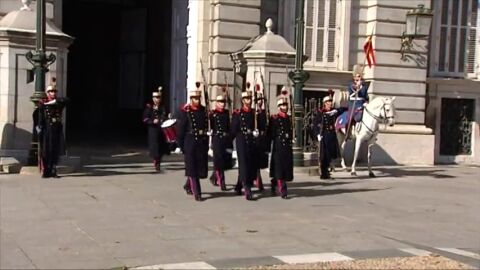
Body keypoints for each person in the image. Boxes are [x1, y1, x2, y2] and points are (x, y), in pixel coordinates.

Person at [176, 84, 209, 201]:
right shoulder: (186, 112)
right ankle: (197, 193)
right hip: (190, 142)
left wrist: (207, 140)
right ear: (191, 99)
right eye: (194, 99)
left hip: (201, 142)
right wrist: (180, 145)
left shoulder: (204, 111)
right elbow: (181, 130)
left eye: (198, 99)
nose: (197, 101)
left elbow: (206, 126)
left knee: (198, 167)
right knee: (192, 168)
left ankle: (188, 185)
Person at [37, 84, 69, 178]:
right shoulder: (43, 103)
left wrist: (54, 101)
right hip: (47, 128)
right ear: (47, 93)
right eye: (51, 91)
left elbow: (67, 100)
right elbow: (40, 117)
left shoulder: (58, 102)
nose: (53, 93)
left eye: (54, 92)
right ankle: (46, 170)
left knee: (55, 149)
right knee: (46, 150)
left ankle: (53, 169)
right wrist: (39, 129)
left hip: (56, 128)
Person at [231, 86, 257, 200]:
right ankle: (247, 189)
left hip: (251, 139)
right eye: (247, 99)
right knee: (243, 164)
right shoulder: (238, 113)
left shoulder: (253, 113)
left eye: (250, 99)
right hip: (241, 140)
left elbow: (258, 125)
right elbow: (233, 129)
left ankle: (238, 185)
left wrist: (257, 131)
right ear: (243, 101)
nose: (249, 101)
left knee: (250, 164)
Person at [268, 96, 293, 199]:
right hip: (278, 145)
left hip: (286, 146)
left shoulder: (288, 118)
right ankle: (283, 190)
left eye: (286, 105)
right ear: (279, 107)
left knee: (284, 167)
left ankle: (274, 182)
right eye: (283, 105)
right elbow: (271, 133)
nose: (285, 107)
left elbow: (290, 131)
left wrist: (291, 137)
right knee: (279, 167)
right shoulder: (274, 118)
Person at [314, 94, 344, 179]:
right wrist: (317, 134)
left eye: (331, 102)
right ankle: (324, 173)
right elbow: (315, 124)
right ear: (325, 103)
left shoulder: (333, 111)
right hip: (324, 135)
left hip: (332, 135)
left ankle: (326, 172)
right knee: (324, 155)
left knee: (330, 154)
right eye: (328, 102)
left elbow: (343, 109)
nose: (330, 103)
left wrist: (336, 111)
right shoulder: (321, 112)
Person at [208, 94, 233, 191]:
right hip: (217, 139)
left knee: (223, 161)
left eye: (224, 102)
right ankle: (222, 182)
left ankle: (214, 177)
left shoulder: (227, 113)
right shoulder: (213, 114)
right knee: (218, 161)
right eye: (221, 102)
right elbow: (210, 125)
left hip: (225, 139)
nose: (223, 104)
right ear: (217, 103)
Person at [142, 88, 169, 172]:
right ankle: (156, 162)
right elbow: (145, 119)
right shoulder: (149, 107)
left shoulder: (163, 107)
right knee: (155, 147)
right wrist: (152, 121)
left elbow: (165, 115)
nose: (158, 100)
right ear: (153, 99)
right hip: (153, 130)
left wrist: (164, 118)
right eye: (156, 98)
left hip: (161, 130)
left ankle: (158, 161)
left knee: (161, 147)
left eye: (159, 98)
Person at [253, 88, 268, 191]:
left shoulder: (264, 112)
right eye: (258, 99)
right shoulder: (254, 112)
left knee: (260, 161)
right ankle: (258, 180)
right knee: (255, 161)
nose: (260, 101)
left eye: (261, 99)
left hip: (262, 139)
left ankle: (257, 179)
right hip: (254, 139)